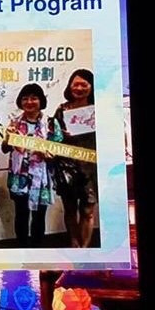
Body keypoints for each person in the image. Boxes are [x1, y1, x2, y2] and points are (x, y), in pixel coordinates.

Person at [1, 83, 57, 248]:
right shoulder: (15, 123)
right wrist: (8, 138)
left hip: (42, 178)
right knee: (21, 214)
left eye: (34, 98)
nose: (29, 102)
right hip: (20, 177)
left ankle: (37, 251)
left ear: (41, 101)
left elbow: (58, 150)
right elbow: (5, 149)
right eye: (25, 98)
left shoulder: (51, 123)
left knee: (39, 216)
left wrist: (50, 154)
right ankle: (22, 249)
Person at [51, 69, 97, 248]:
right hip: (66, 166)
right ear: (69, 86)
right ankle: (74, 245)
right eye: (75, 84)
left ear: (91, 87)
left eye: (84, 84)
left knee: (87, 210)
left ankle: (85, 250)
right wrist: (62, 136)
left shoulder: (99, 110)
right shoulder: (62, 110)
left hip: (91, 166)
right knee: (70, 209)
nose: (79, 88)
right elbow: (52, 137)